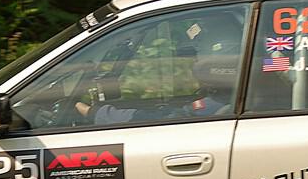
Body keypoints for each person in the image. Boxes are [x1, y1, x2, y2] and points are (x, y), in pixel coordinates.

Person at [76, 14, 243, 125]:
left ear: (218, 64)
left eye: (199, 54)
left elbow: (158, 121)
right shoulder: (229, 98)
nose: (194, 59)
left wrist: (95, 113)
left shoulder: (218, 106)